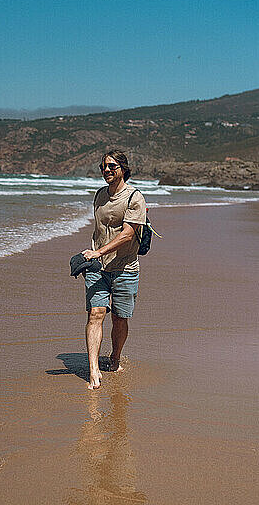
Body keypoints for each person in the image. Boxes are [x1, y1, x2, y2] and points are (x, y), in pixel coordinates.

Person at [82, 150, 146, 389]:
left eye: (111, 166)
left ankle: (115, 357)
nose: (106, 170)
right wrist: (94, 256)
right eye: (103, 167)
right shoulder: (99, 195)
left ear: (123, 169)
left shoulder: (134, 198)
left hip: (125, 268)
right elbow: (100, 230)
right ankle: (93, 370)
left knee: (120, 318)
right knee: (95, 313)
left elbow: (128, 234)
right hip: (97, 267)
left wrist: (100, 251)